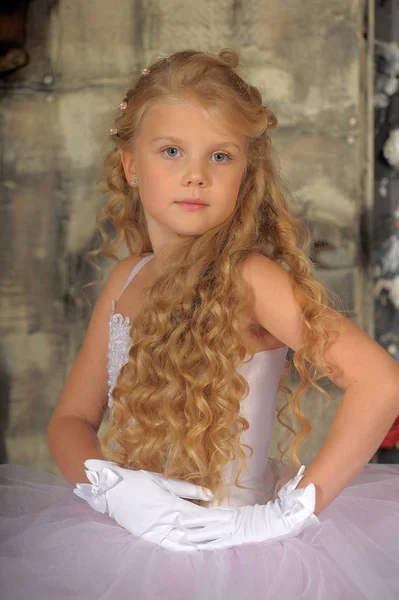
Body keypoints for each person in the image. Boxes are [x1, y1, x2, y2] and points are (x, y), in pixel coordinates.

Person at [1, 48, 399, 599]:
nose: (194, 175)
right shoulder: (124, 280)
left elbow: (381, 380)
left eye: (220, 156)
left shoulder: (252, 278)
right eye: (171, 151)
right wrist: (112, 490)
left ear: (245, 170)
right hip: (129, 547)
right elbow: (69, 420)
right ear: (131, 166)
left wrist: (283, 517)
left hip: (243, 557)